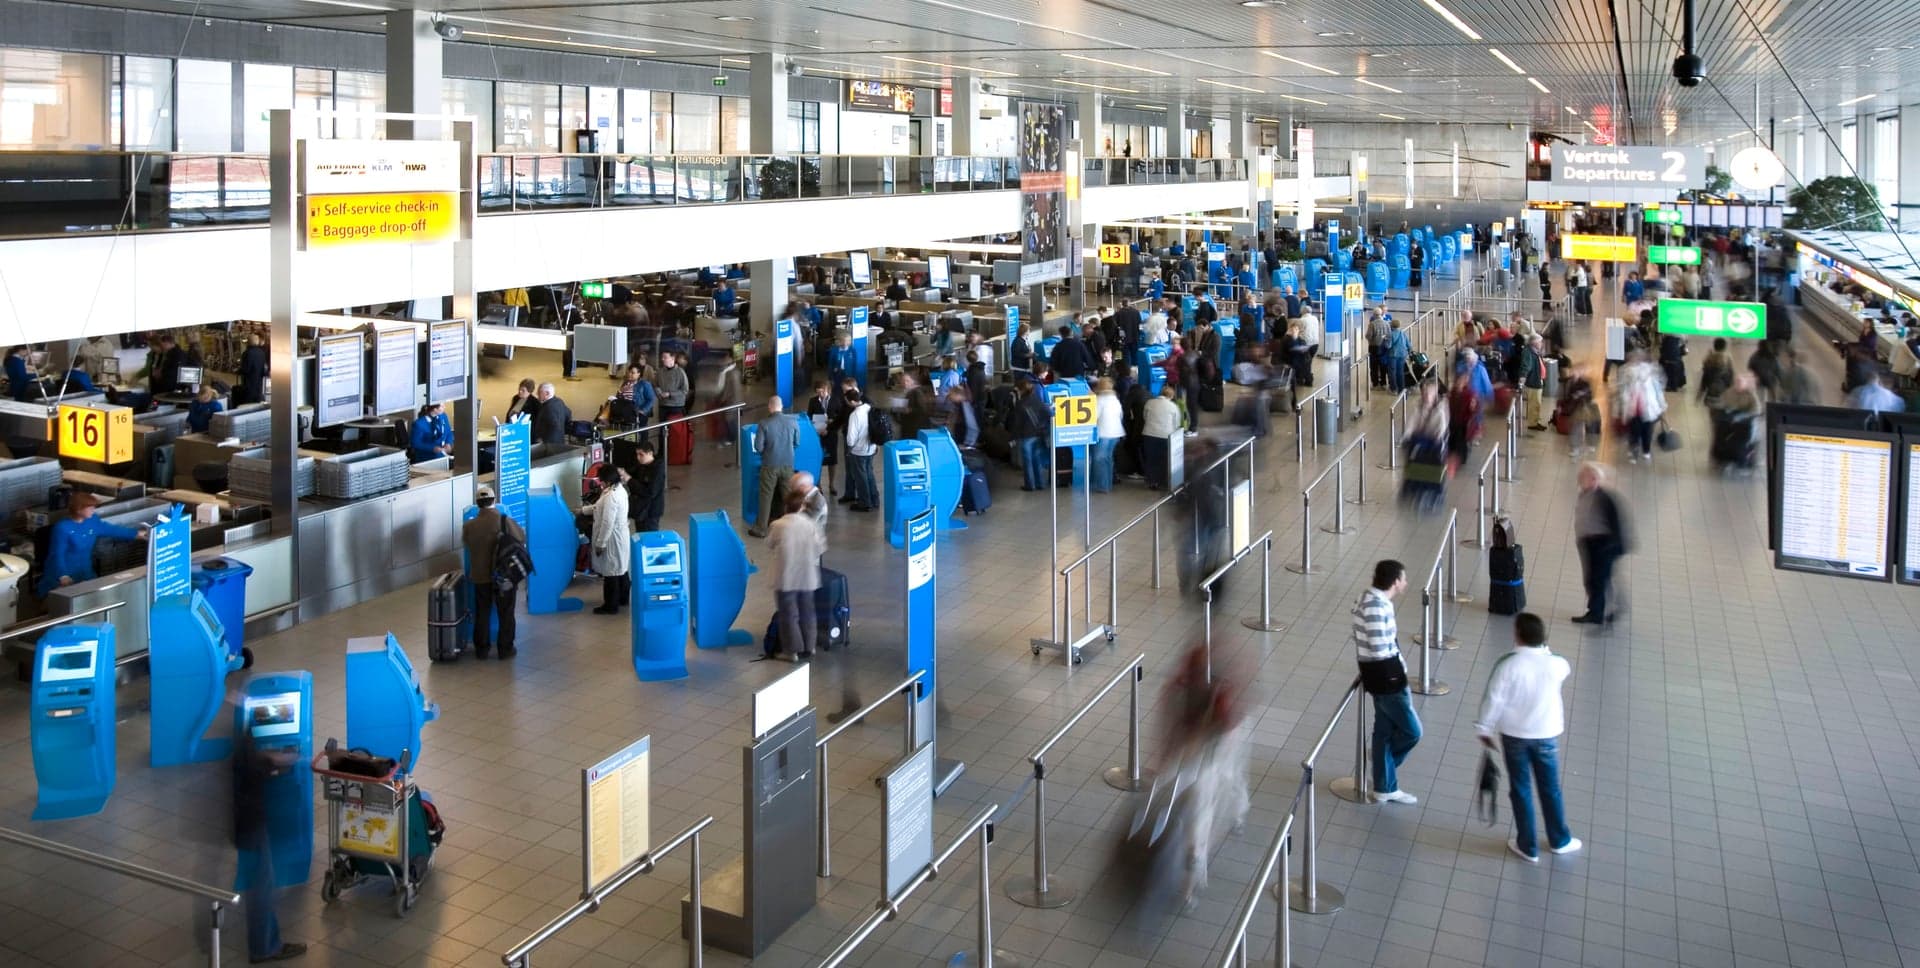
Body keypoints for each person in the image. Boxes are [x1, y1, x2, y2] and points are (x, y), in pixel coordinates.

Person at [1477, 612, 1580, 863]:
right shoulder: (1557, 664)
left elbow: (1494, 699)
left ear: (1517, 635)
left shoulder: (1508, 664)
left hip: (1514, 736)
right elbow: (1561, 666)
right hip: (1546, 735)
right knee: (1550, 788)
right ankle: (1559, 839)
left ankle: (1527, 845)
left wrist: (1484, 728)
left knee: (1520, 788)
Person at [232, 716, 306, 964]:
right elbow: (256, 766)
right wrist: (279, 760)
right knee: (263, 886)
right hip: (252, 824)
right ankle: (264, 948)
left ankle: (266, 943)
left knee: (261, 883)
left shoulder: (237, 737)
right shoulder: (244, 747)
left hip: (245, 822)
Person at [1354, 560, 1420, 805]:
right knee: (1413, 731)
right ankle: (1385, 767)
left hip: (1378, 675)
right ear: (1394, 582)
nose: (1405, 583)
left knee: (1382, 730)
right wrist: (1397, 675)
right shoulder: (1375, 606)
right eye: (1403, 578)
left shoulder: (1370, 600)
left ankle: (1384, 786)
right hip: (1387, 679)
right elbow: (1380, 648)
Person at [36, 492, 148, 597]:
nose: (93, 510)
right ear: (78, 509)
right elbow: (57, 554)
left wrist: (136, 534)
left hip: (84, 569)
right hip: (63, 571)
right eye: (90, 508)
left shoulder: (92, 520)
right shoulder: (62, 528)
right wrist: (63, 575)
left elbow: (111, 529)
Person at [461, 485, 525, 659]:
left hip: (480, 576)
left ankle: (481, 649)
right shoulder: (504, 520)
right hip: (503, 576)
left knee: (482, 612)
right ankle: (505, 649)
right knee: (506, 612)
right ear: (494, 501)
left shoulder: (469, 525)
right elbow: (521, 537)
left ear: (477, 503)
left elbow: (466, 543)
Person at [1572, 462, 1631, 626]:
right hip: (1590, 543)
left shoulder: (1604, 498)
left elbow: (1617, 524)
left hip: (1602, 545)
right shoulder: (1586, 494)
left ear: (1593, 479)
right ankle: (1607, 608)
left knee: (1597, 579)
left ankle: (1598, 613)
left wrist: (1612, 547)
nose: (1579, 481)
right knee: (1596, 578)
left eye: (1582, 478)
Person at [768, 490, 824, 662]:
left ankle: (791, 651)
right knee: (808, 611)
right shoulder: (810, 524)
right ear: (802, 506)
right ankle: (810, 646)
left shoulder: (778, 525)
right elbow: (820, 548)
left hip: (786, 577)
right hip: (808, 575)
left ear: (786, 506)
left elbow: (769, 544)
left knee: (788, 614)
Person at [748, 395, 799, 538]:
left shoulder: (764, 423)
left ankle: (761, 529)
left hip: (770, 464)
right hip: (788, 464)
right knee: (788, 497)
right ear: (781, 406)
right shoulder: (793, 421)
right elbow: (796, 443)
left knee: (765, 496)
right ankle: (793, 528)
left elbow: (758, 447)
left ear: (770, 407)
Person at [585, 464, 631, 615]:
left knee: (611, 572)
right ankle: (623, 598)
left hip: (612, 538)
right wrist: (583, 510)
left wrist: (600, 544)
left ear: (608, 480)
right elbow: (599, 507)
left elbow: (607, 522)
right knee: (621, 568)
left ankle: (610, 605)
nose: (600, 482)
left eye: (601, 480)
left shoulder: (612, 496)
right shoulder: (619, 490)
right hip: (620, 535)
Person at [1613, 352, 1665, 463]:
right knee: (1635, 432)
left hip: (1649, 411)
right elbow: (1621, 391)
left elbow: (1658, 392)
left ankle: (1645, 451)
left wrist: (1662, 406)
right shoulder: (1627, 374)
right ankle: (1635, 451)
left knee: (1647, 432)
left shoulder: (1652, 377)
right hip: (1634, 411)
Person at [1009, 377, 1051, 492]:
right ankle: (1040, 483)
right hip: (1038, 433)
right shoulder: (1038, 400)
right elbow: (1049, 414)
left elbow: (1017, 423)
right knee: (1037, 459)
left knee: (1027, 461)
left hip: (1025, 435)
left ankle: (1030, 485)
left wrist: (1012, 437)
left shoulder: (1020, 404)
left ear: (1021, 390)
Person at [842, 388, 879, 512]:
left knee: (860, 477)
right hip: (871, 448)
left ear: (852, 401)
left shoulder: (854, 415)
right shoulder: (869, 408)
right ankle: (874, 500)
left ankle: (864, 502)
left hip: (858, 451)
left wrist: (849, 448)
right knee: (869, 474)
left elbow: (851, 438)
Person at [1090, 377, 1124, 493]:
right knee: (1108, 459)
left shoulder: (1099, 399)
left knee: (1099, 459)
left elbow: (1093, 417)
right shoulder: (1115, 399)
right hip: (1116, 433)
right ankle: (1107, 484)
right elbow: (1121, 415)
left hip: (1103, 433)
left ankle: (1102, 486)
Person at [629, 439, 666, 533]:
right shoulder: (642, 465)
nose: (638, 457)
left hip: (650, 512)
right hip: (640, 509)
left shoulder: (657, 470)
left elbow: (650, 492)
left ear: (650, 453)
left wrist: (629, 480)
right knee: (640, 535)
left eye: (641, 455)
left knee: (649, 538)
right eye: (637, 454)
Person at [1518, 334, 1548, 431]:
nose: (1541, 344)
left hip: (1538, 380)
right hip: (1533, 381)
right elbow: (1526, 366)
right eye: (1540, 342)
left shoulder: (1534, 351)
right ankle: (1533, 423)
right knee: (1534, 403)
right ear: (1534, 342)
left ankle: (1536, 420)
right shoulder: (1528, 352)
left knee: (1537, 403)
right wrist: (1523, 378)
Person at [531, 383, 571, 448]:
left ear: (547, 393)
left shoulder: (548, 407)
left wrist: (543, 440)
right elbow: (568, 414)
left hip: (549, 445)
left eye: (539, 392)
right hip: (560, 441)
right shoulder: (559, 401)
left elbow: (554, 426)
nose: (537, 394)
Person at [655, 351, 691, 417]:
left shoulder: (680, 372)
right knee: (662, 426)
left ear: (672, 358)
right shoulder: (659, 372)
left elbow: (685, 390)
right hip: (663, 404)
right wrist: (659, 393)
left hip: (676, 406)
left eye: (665, 357)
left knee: (675, 427)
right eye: (662, 357)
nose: (662, 359)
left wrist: (670, 394)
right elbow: (656, 385)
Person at [236, 333, 268, 405]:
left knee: (248, 402)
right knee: (256, 401)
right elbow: (264, 368)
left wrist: (238, 371)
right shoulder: (262, 353)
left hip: (249, 383)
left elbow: (245, 369)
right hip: (259, 383)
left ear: (248, 342)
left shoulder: (247, 353)